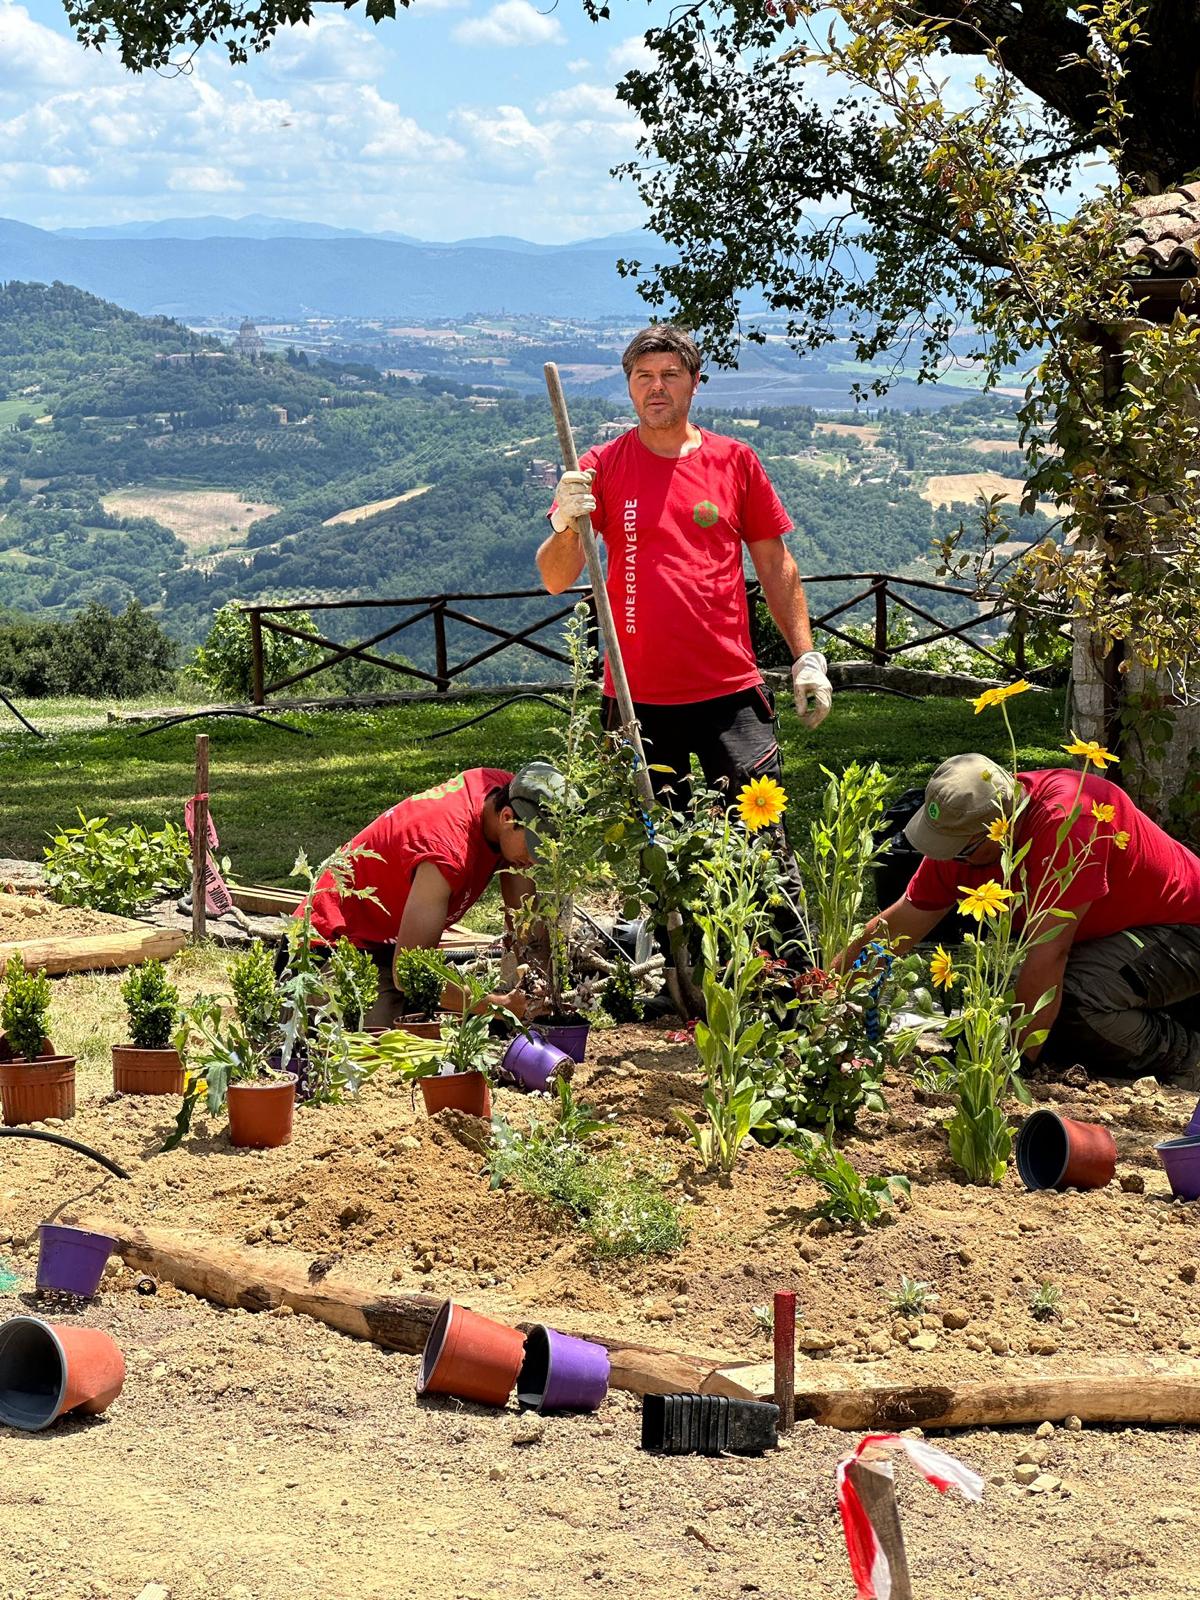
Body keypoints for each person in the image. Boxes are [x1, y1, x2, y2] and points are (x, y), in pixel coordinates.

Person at [536, 323, 832, 815]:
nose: (656, 386)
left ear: (695, 381)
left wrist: (805, 658)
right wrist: (567, 522)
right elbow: (554, 578)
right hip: (635, 695)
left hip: (729, 688)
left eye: (671, 374)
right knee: (652, 858)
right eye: (643, 376)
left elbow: (777, 565)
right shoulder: (599, 467)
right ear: (629, 385)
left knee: (759, 852)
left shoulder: (735, 462)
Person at [842, 753, 1200, 1080]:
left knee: (1071, 1002)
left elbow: (1049, 955)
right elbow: (899, 926)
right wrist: (827, 992)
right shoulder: (964, 830)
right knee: (1025, 1007)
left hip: (1181, 929)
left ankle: (1189, 1059)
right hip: (1113, 936)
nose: (948, 861)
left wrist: (1013, 1065)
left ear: (1003, 826)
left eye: (960, 851)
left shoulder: (1068, 822)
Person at [302, 762, 561, 1028]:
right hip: (333, 943)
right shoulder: (445, 853)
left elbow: (525, 922)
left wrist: (541, 989)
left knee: (464, 1021)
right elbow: (409, 973)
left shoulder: (507, 794)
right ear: (507, 818)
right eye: (534, 848)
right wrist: (503, 1006)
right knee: (382, 1042)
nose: (536, 860)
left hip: (391, 941)